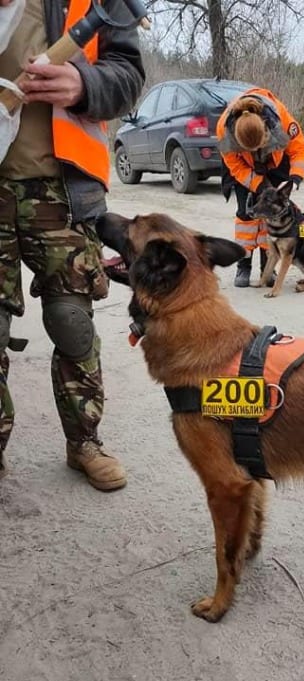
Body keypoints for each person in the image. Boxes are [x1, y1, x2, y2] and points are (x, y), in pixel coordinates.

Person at [0, 0, 145, 490]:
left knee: (71, 321)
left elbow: (127, 74)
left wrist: (86, 86)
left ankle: (84, 441)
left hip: (62, 189)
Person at [215, 86, 304, 287]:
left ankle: (267, 268)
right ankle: (243, 266)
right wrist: (258, 185)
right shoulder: (224, 130)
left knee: (274, 215)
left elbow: (300, 149)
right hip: (243, 169)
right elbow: (234, 165)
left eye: (258, 147)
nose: (256, 151)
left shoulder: (280, 119)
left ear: (266, 129)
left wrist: (294, 178)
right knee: (245, 215)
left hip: (276, 164)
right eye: (250, 149)